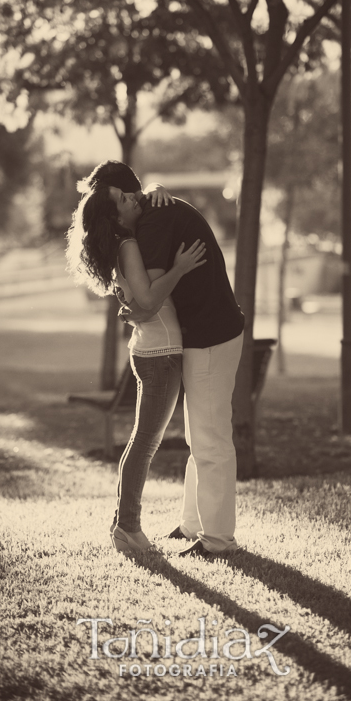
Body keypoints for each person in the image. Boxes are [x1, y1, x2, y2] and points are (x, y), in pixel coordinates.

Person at [84, 160, 245, 558]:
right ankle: (191, 525)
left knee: (209, 440)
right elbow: (149, 297)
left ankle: (217, 540)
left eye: (121, 197)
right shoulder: (141, 225)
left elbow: (149, 297)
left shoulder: (152, 220)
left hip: (209, 334)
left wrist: (140, 304)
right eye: (118, 202)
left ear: (132, 195)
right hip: (189, 338)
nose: (123, 205)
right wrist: (145, 300)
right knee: (198, 438)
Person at [66, 181, 207, 555]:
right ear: (115, 218)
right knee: (144, 444)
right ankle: (127, 527)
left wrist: (157, 187)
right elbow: (147, 299)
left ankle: (123, 524)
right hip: (160, 353)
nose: (133, 197)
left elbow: (140, 305)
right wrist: (179, 268)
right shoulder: (128, 246)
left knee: (141, 442)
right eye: (123, 199)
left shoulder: (119, 247)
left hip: (151, 350)